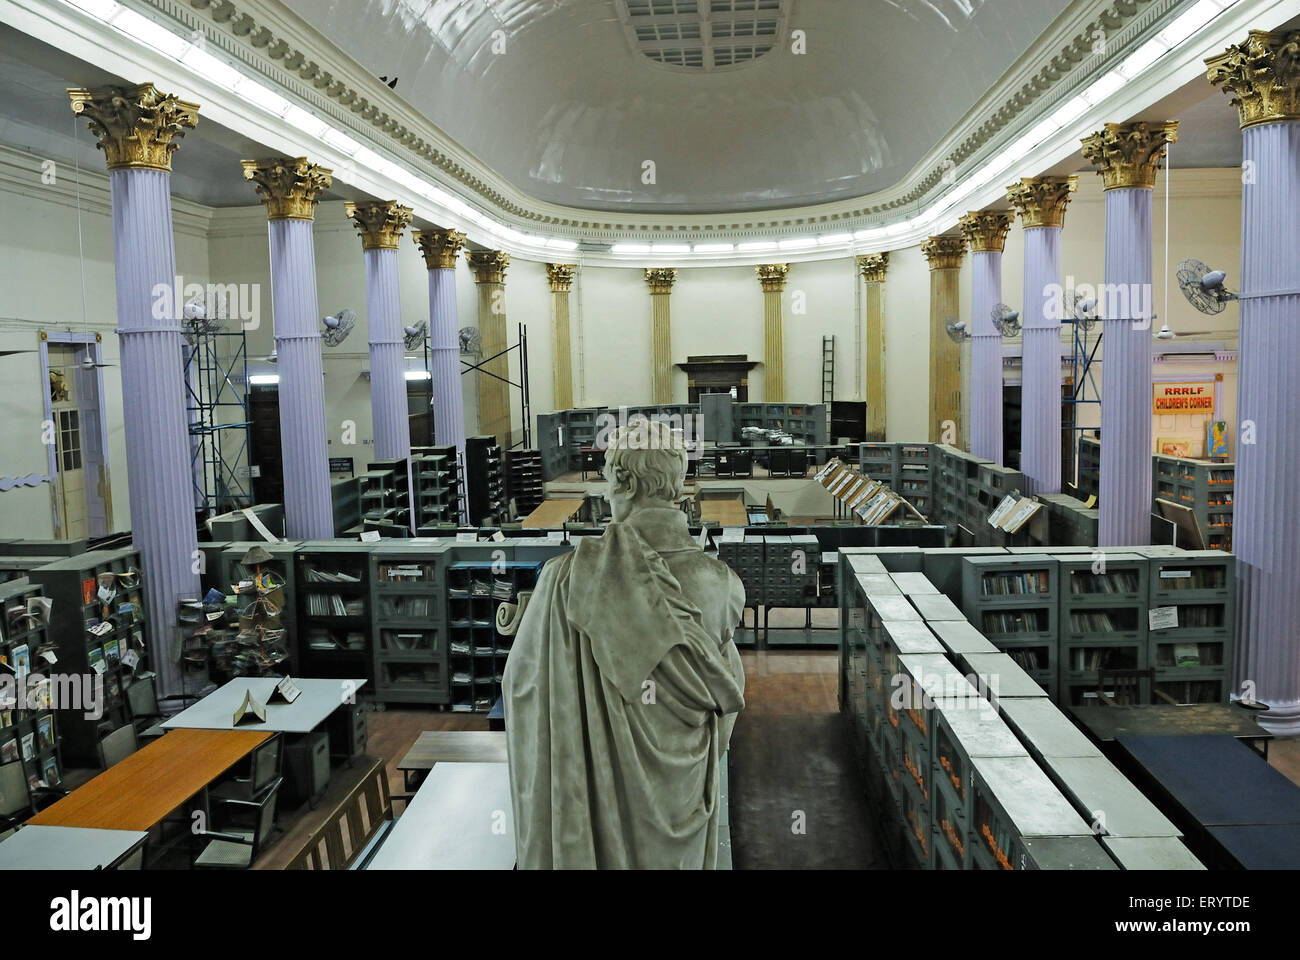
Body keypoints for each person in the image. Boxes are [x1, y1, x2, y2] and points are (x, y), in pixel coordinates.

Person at [502, 416, 746, 868]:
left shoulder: (567, 579)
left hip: (597, 811)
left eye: (609, 480)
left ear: (626, 482)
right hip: (683, 798)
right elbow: (725, 695)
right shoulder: (722, 584)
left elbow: (523, 688)